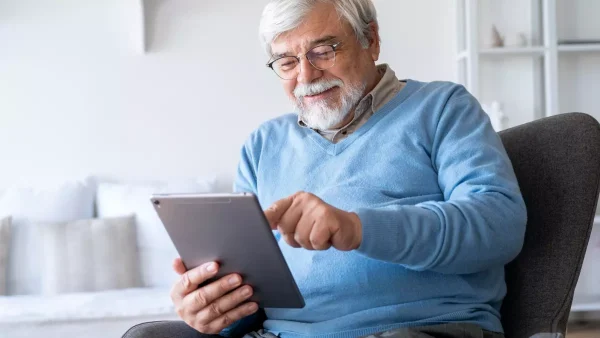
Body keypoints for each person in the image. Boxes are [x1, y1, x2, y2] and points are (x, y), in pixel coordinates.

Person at [123, 0, 527, 337]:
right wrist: (218, 310)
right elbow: (254, 303)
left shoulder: (442, 108)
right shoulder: (263, 146)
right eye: (286, 61)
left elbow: (499, 225)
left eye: (323, 51)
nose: (306, 75)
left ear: (371, 40)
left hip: (417, 327)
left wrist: (357, 228)